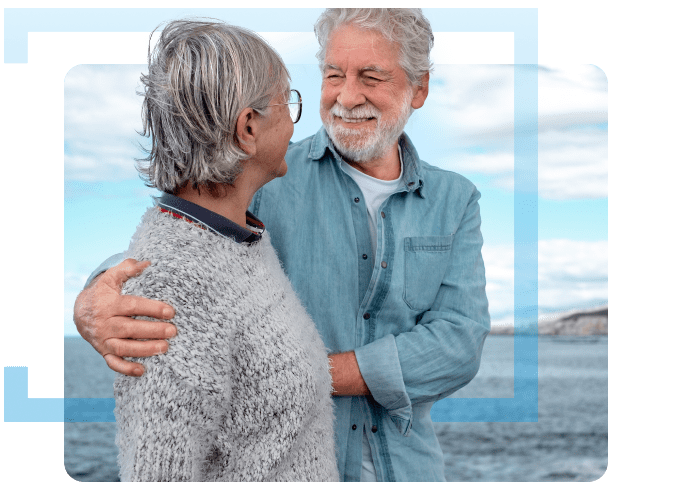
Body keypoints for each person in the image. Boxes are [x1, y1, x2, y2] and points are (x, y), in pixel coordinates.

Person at [75, 8, 490, 482]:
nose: (346, 96)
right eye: (333, 75)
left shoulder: (456, 199)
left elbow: (459, 341)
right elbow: (184, 240)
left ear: (419, 88)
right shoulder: (265, 170)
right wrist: (95, 294)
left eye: (370, 77)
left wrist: (284, 373)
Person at [105, 18, 337, 482]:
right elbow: (159, 471)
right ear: (248, 127)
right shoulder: (174, 287)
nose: (295, 122)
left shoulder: (236, 237)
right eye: (287, 102)